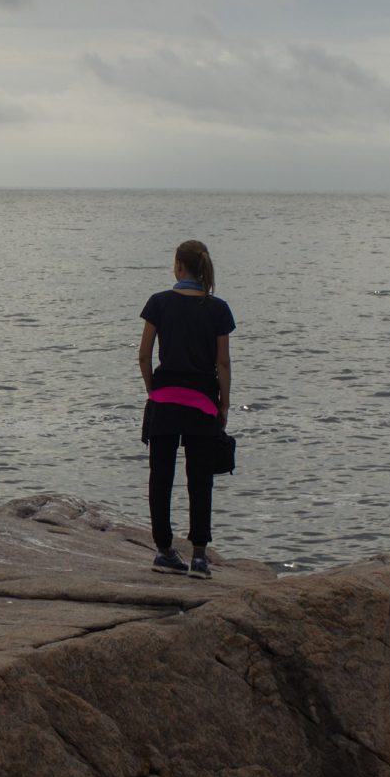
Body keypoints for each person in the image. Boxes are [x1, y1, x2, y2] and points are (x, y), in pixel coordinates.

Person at [138, 239, 233, 577]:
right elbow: (222, 362)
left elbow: (144, 355)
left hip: (164, 400)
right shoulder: (218, 308)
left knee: (161, 478)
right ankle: (199, 557)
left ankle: (164, 551)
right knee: (200, 479)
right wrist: (224, 404)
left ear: (179, 266)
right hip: (202, 403)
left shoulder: (159, 303)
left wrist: (153, 390)